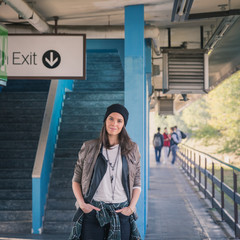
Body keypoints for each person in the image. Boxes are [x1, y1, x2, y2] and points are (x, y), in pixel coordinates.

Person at [69, 103, 142, 240]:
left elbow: (137, 182)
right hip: (94, 212)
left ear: (123, 124)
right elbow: (76, 179)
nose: (114, 123)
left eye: (119, 120)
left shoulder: (132, 149)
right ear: (105, 120)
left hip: (121, 212)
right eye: (111, 118)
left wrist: (131, 208)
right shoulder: (89, 147)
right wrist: (82, 204)